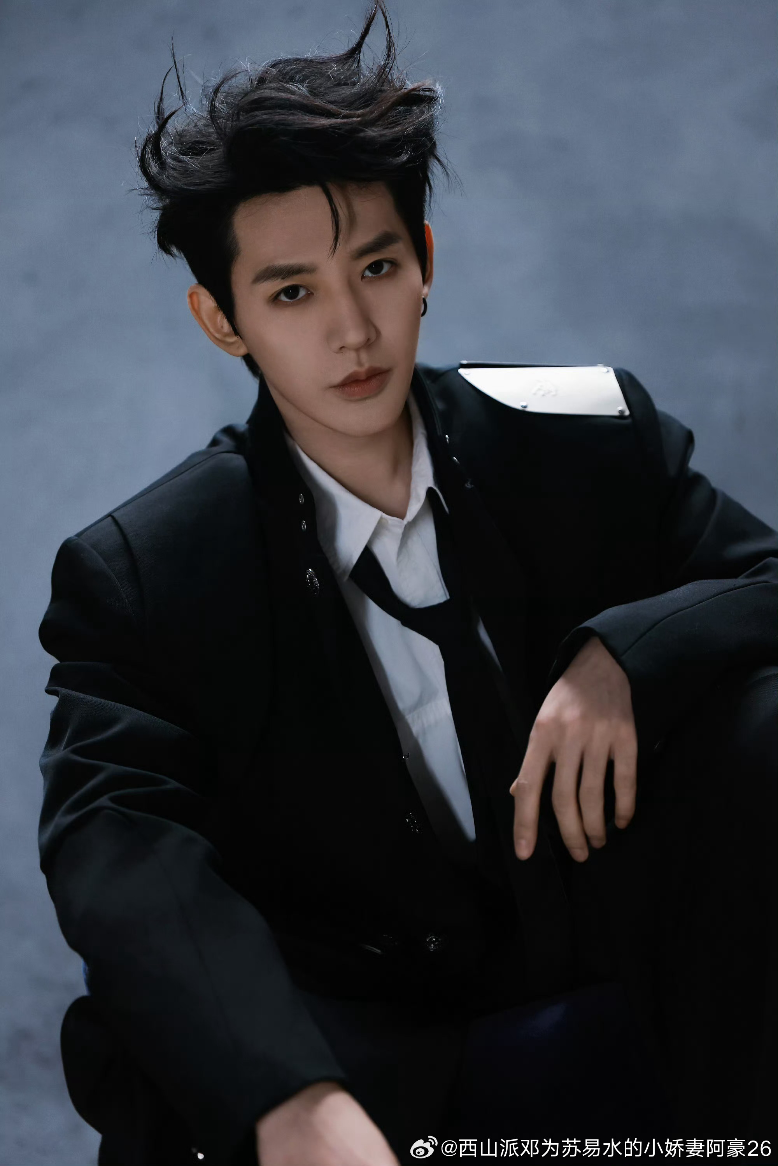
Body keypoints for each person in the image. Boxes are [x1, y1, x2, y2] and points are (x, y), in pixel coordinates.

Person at [37, 3, 776, 1163]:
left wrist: (624, 654)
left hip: (623, 978)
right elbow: (117, 847)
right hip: (368, 1049)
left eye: (375, 267)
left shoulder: (584, 429)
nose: (352, 331)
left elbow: (764, 578)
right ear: (221, 319)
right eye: (291, 293)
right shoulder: (146, 567)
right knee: (151, 1024)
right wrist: (289, 1094)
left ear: (423, 261)